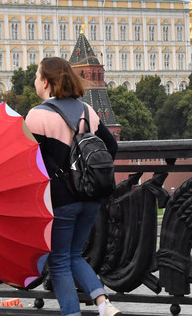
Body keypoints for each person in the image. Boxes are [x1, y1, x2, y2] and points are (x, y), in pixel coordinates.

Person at [25, 57, 122, 316]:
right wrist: (85, 177)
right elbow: (111, 147)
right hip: (90, 197)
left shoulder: (36, 116)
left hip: (60, 201)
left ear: (46, 82)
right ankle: (104, 304)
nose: (35, 82)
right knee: (75, 255)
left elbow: (29, 163)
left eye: (36, 77)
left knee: (59, 262)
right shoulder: (87, 111)